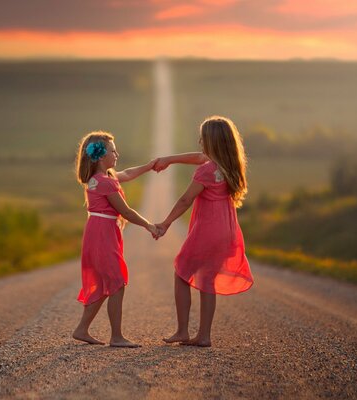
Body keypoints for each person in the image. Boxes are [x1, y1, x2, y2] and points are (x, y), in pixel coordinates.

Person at [153, 116, 254, 347]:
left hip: (207, 231)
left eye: (202, 137)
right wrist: (169, 159)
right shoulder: (229, 164)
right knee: (208, 281)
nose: (199, 141)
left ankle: (182, 331)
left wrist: (166, 223)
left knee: (181, 273)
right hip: (226, 230)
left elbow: (186, 199)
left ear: (211, 142)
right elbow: (199, 157)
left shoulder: (206, 171)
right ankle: (204, 335)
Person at [72, 131, 158, 348]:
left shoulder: (101, 178)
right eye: (113, 150)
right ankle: (116, 337)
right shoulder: (105, 183)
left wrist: (149, 166)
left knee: (106, 282)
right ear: (101, 156)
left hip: (98, 231)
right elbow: (126, 212)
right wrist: (150, 225)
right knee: (117, 282)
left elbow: (127, 173)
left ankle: (82, 329)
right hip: (103, 233)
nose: (117, 153)